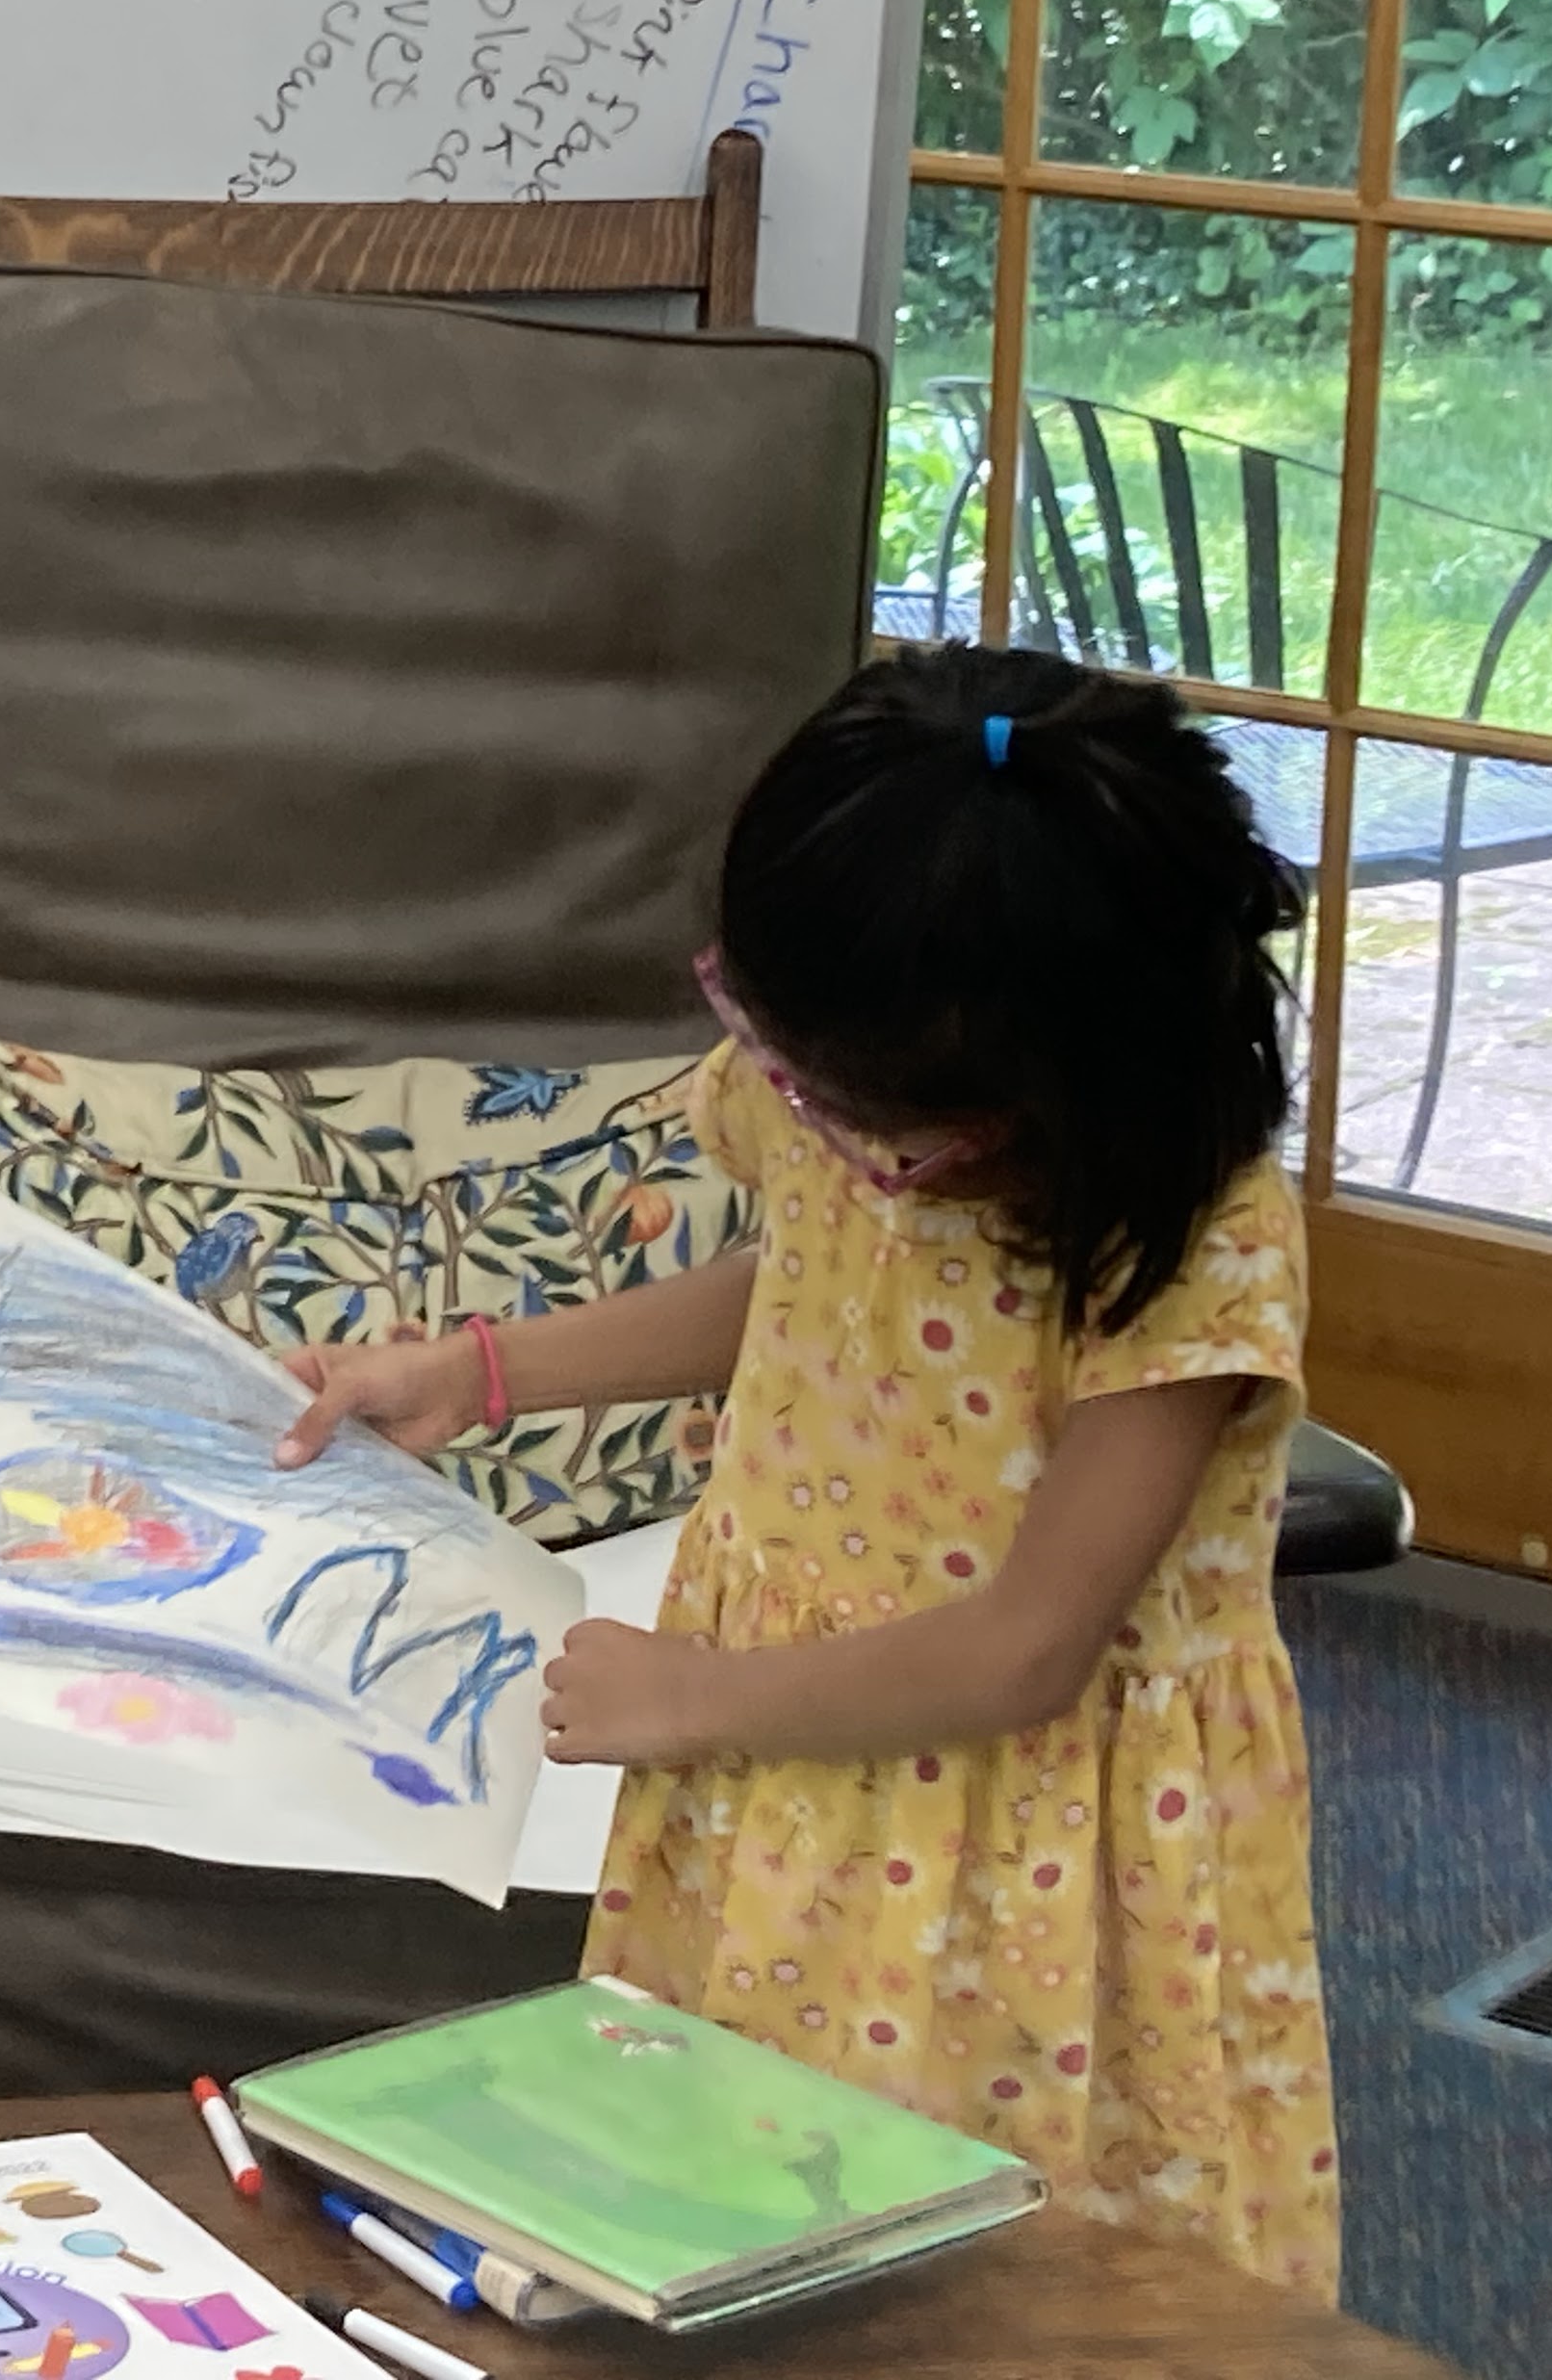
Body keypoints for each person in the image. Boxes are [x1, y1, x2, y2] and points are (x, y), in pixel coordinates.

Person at [281, 643, 1334, 2296]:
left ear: (1046, 1099)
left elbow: (1027, 1649)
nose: (792, 1111)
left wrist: (689, 1699)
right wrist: (479, 1373)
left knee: (1000, 2277)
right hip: (786, 1773)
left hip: (1024, 1842)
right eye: (772, 1058)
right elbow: (812, 1299)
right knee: (723, 2210)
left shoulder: (1194, 1244)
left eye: (848, 1113)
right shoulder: (849, 1084)